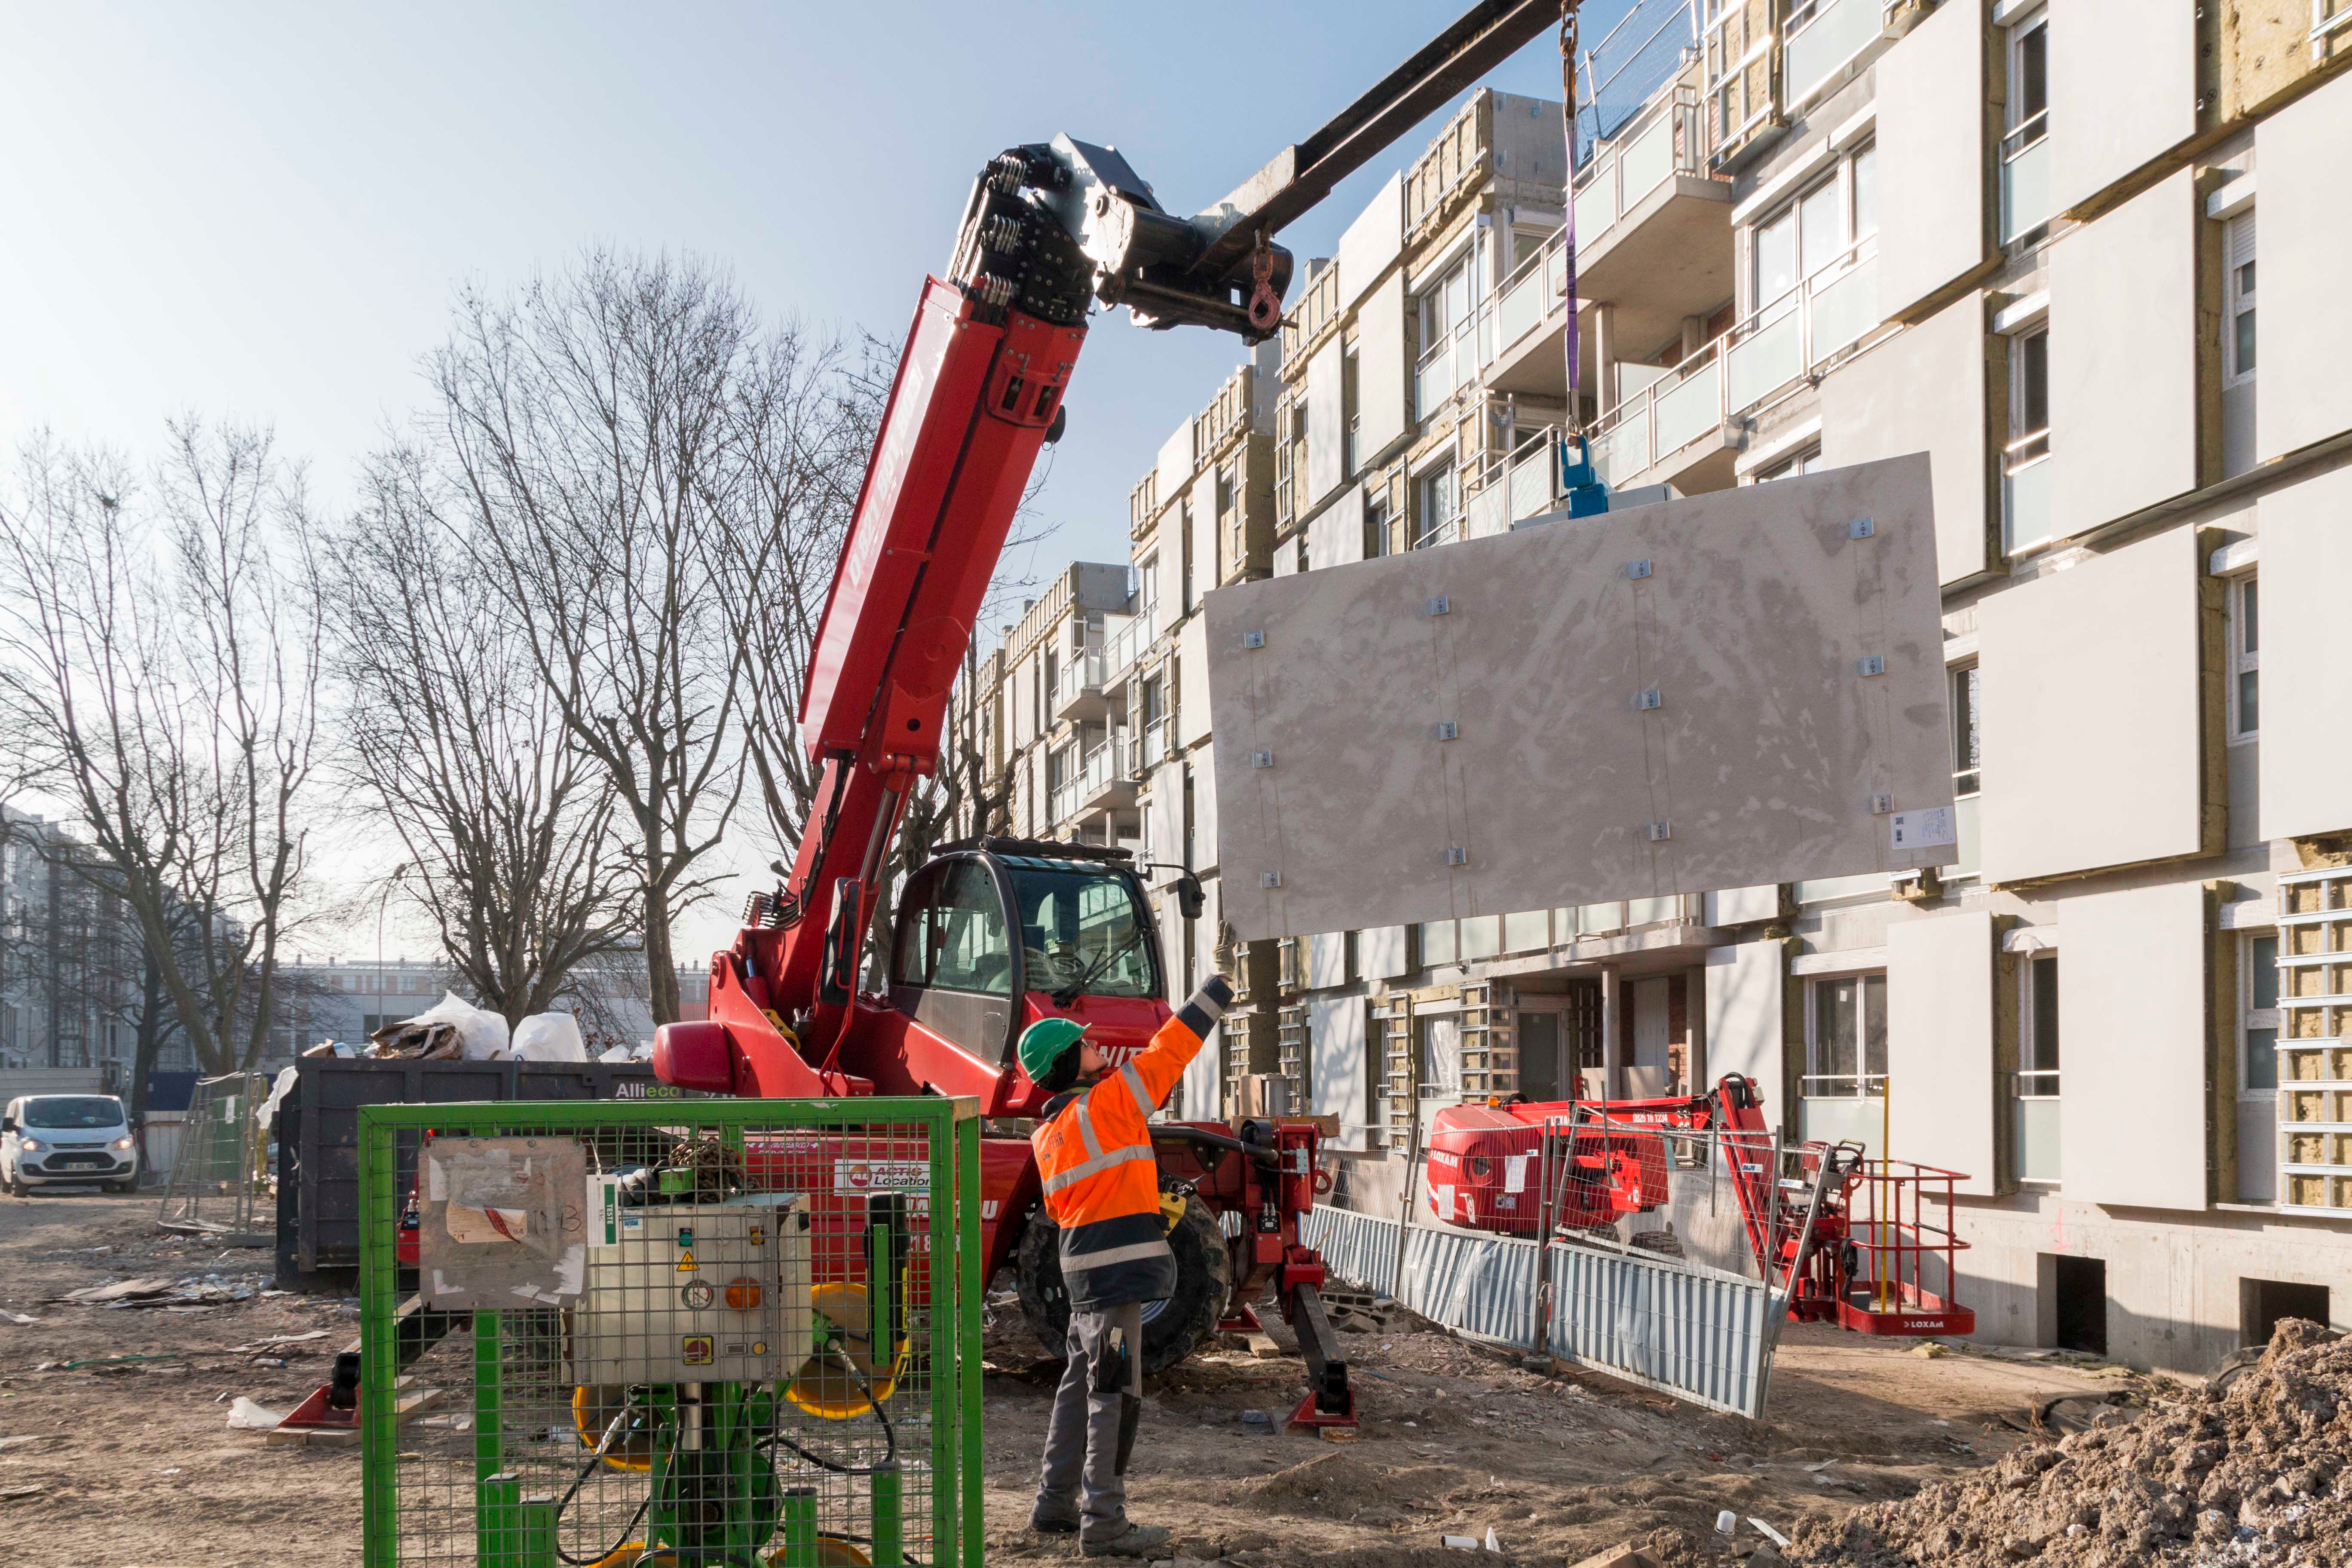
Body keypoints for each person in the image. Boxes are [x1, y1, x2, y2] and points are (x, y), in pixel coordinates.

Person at [1023, 972, 1232, 1558]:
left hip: (1083, 1280)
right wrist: (1218, 989)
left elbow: (1062, 1211)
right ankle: (1105, 1523)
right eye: (1085, 1043)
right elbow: (1171, 1049)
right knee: (1114, 1394)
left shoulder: (1047, 1136)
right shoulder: (1109, 1104)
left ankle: (1054, 1503)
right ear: (1071, 1061)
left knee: (1078, 1385)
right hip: (1116, 1282)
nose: (1097, 1045)